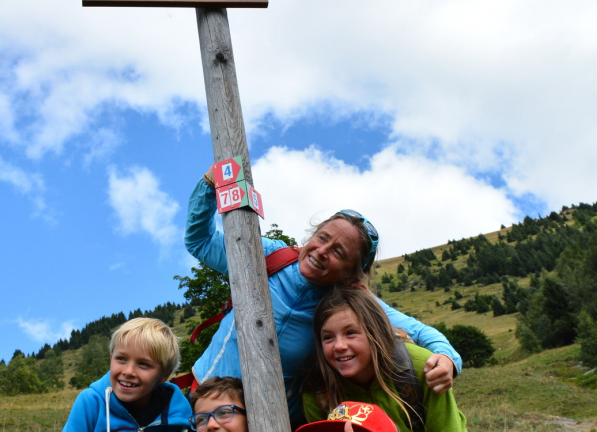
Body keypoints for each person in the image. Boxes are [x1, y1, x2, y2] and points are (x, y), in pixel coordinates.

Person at [185, 167, 462, 426]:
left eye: (339, 252)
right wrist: (209, 184)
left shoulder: (348, 304)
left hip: (270, 421)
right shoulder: (271, 256)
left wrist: (448, 360)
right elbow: (200, 241)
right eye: (321, 238)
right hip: (204, 407)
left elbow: (423, 333)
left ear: (352, 274)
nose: (321, 251)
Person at [301, 287, 467, 431]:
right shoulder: (318, 395)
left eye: (350, 333)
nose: (339, 346)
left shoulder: (422, 369)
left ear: (376, 333)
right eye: (328, 337)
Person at [63, 318, 192, 432]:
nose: (128, 371)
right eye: (121, 359)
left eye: (143, 364)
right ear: (111, 358)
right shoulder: (91, 403)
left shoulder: (180, 415)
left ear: (164, 375)